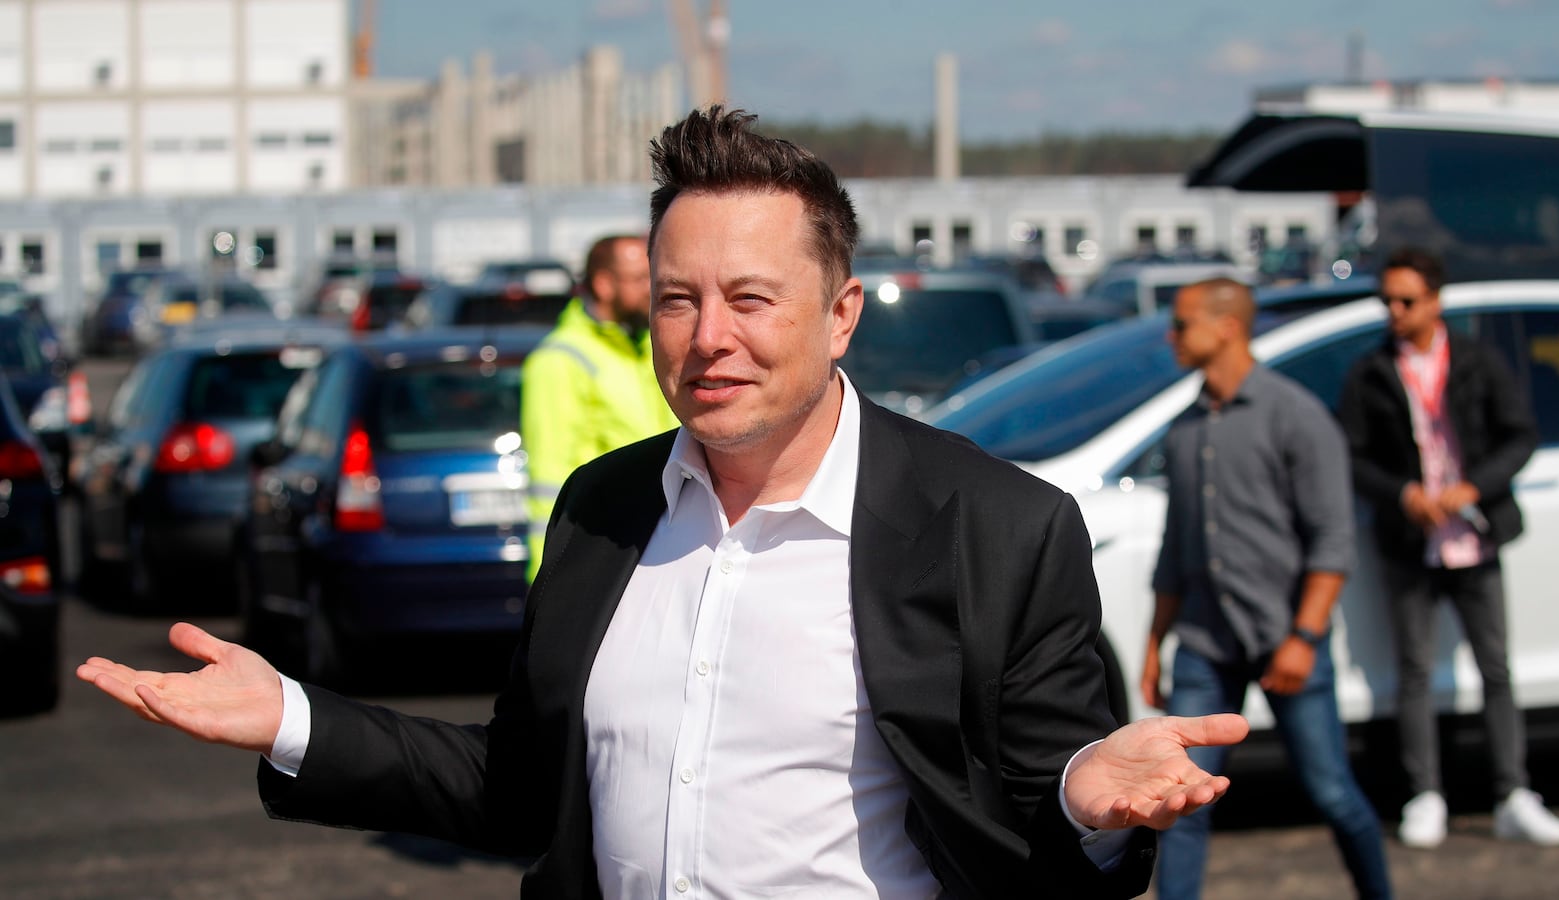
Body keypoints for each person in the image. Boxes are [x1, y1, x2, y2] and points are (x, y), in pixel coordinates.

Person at [78, 107, 1249, 900]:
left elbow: (1043, 849)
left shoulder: (996, 528)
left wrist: (1087, 805)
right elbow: (519, 789)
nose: (708, 338)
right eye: (678, 300)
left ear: (841, 316)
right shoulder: (603, 508)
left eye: (751, 298)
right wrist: (291, 717)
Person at [1142, 278, 1392, 899]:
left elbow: (1332, 542)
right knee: (1182, 800)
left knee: (1332, 792)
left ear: (1227, 326)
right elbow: (1175, 550)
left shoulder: (1296, 416)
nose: (1172, 336)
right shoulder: (1185, 428)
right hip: (1205, 644)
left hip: (1287, 637)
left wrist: (1303, 637)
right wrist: (1154, 645)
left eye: (1183, 323)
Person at [1338, 247, 1559, 849]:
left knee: (1496, 667)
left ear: (1435, 300)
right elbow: (1353, 455)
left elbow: (1520, 436)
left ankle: (1513, 792)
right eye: (1387, 300)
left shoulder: (1475, 360)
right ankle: (1425, 794)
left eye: (1406, 300)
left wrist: (1476, 485)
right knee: (1414, 670)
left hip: (1475, 531)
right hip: (1410, 541)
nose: (1395, 311)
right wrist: (1403, 494)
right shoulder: (1372, 372)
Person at [520, 234, 678, 579]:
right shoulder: (559, 360)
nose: (652, 289)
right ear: (604, 285)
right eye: (640, 278)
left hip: (659, 539)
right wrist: (549, 576)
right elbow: (550, 476)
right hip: (601, 548)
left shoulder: (643, 348)